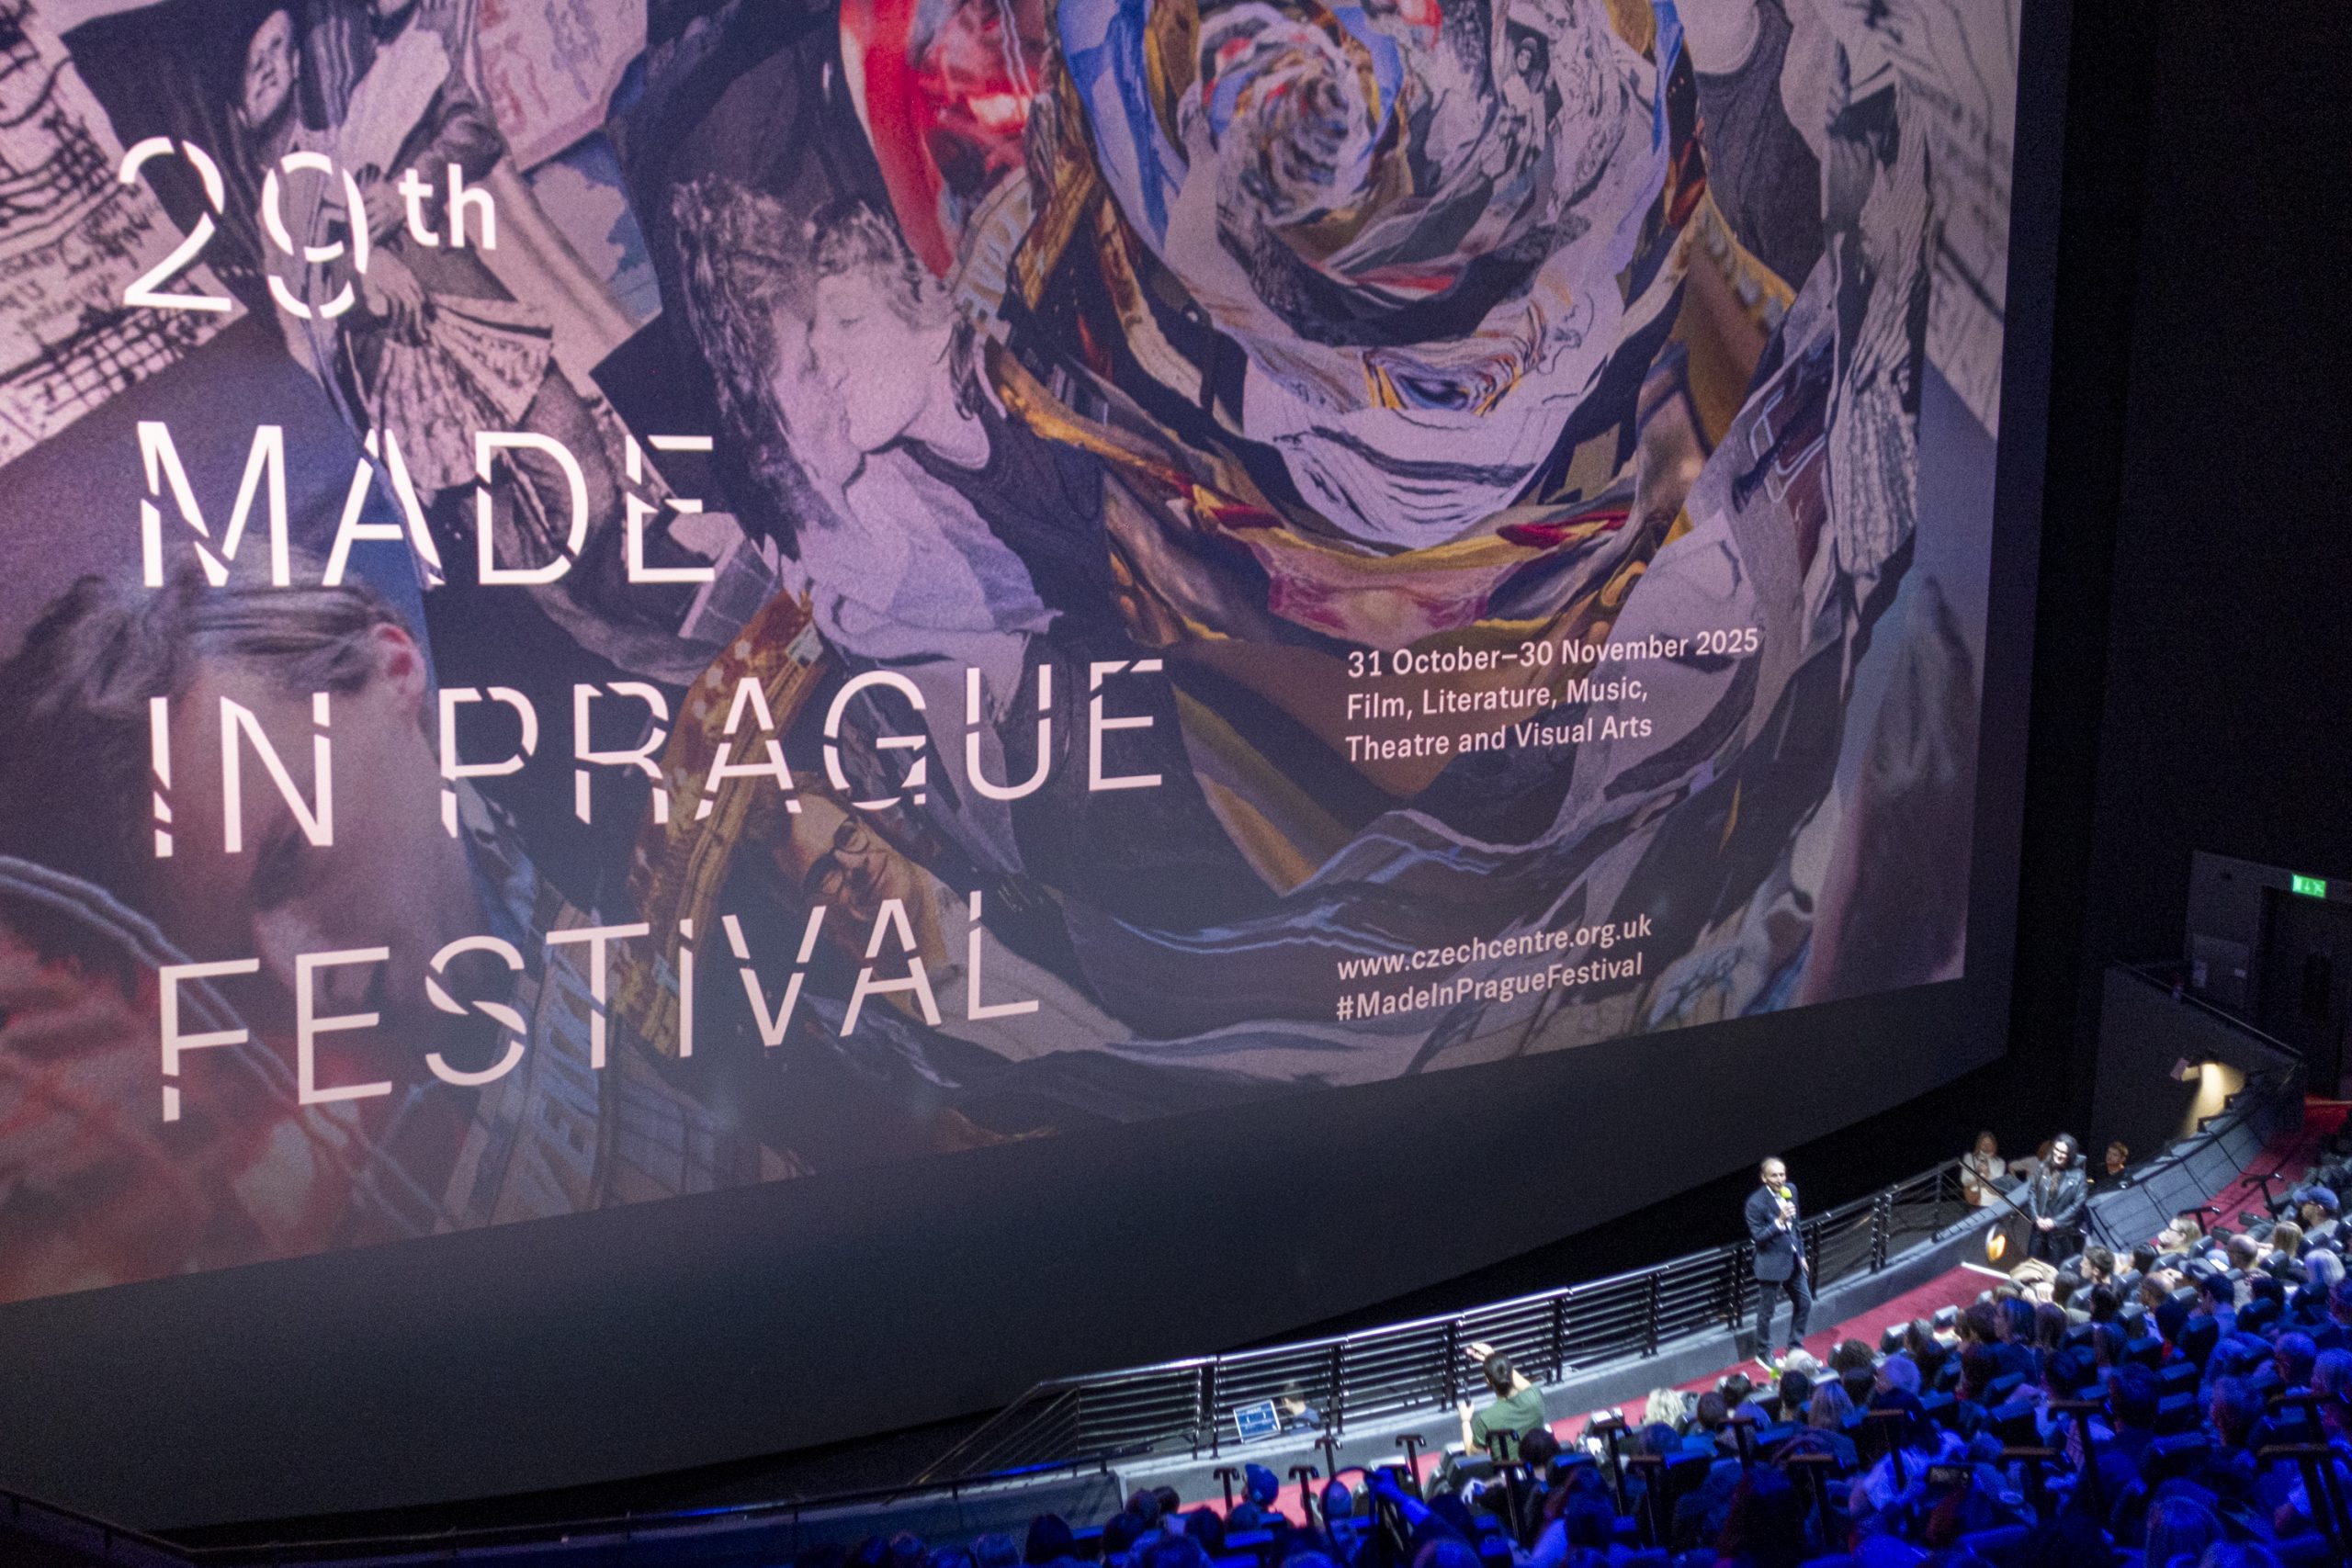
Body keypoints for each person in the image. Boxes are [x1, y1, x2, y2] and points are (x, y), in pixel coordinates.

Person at [1746, 1158, 1812, 1368]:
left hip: (1793, 1259)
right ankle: (1763, 1353)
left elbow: (1796, 1227)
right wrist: (1779, 1221)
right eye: (1774, 1175)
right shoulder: (1755, 1203)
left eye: (1782, 1174)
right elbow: (1758, 1237)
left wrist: (1802, 1255)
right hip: (1770, 1263)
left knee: (1805, 1302)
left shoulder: (1791, 1190)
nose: (1780, 1179)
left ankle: (1794, 1347)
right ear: (1764, 1178)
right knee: (1767, 1312)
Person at [1457, 1345, 1545, 1459]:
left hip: (1508, 1470)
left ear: (1488, 1381)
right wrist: (1493, 1357)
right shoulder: (1535, 1396)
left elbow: (1473, 1454)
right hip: (1539, 1464)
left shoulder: (1485, 1420)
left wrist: (1465, 1421)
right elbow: (1520, 1381)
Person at [2026, 1132, 2089, 1262]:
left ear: (2070, 1155)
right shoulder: (2043, 1167)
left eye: (2063, 1153)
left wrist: (2054, 1222)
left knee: (2055, 1270)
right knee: (2031, 1267)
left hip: (2061, 1235)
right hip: (2038, 1232)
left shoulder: (2078, 1176)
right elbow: (2032, 1192)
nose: (2058, 1155)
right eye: (2057, 1150)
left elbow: (2077, 1205)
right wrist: (2036, 1217)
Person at [1961, 1130, 2007, 1209]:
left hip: (1995, 1203)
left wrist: (1988, 1174)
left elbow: (1999, 1185)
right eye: (1984, 1143)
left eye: (1989, 1144)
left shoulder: (2000, 1162)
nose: (1986, 1146)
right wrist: (1977, 1173)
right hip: (1976, 1202)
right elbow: (1965, 1181)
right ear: (1979, 1144)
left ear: (1994, 1145)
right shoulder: (1970, 1158)